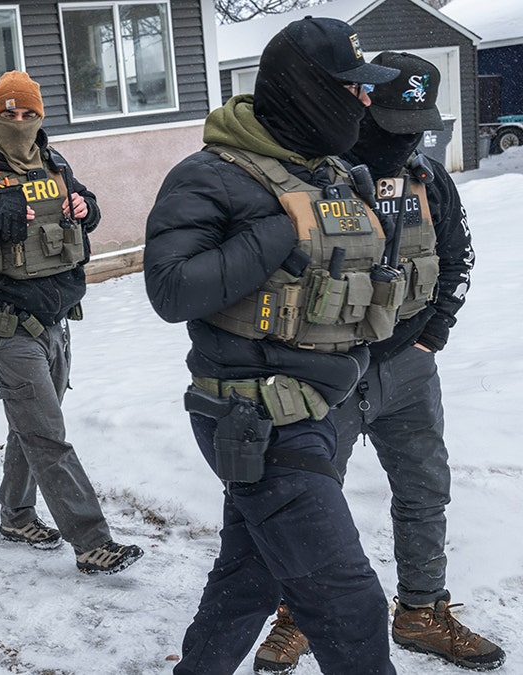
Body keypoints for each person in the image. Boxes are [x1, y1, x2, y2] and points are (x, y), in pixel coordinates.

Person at [144, 17, 407, 674]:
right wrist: (277, 232)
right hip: (256, 417)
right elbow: (171, 289)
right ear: (307, 90)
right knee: (348, 604)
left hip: (316, 408)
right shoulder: (210, 176)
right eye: (352, 88)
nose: (364, 101)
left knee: (249, 580)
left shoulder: (327, 170)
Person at [252, 52, 504, 673]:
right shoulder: (311, 178)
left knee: (425, 490)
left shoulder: (429, 179)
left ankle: (421, 611)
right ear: (360, 105)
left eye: (416, 126)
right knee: (309, 499)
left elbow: (456, 257)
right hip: (324, 372)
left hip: (409, 369)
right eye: (393, 124)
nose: (404, 139)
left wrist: (432, 336)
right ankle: (298, 616)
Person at [0, 71, 144, 575]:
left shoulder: (55, 163)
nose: (21, 122)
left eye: (30, 114)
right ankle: (92, 543)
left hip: (56, 322)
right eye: (10, 114)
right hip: (8, 327)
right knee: (48, 436)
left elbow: (88, 210)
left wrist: (85, 208)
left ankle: (16, 516)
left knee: (29, 426)